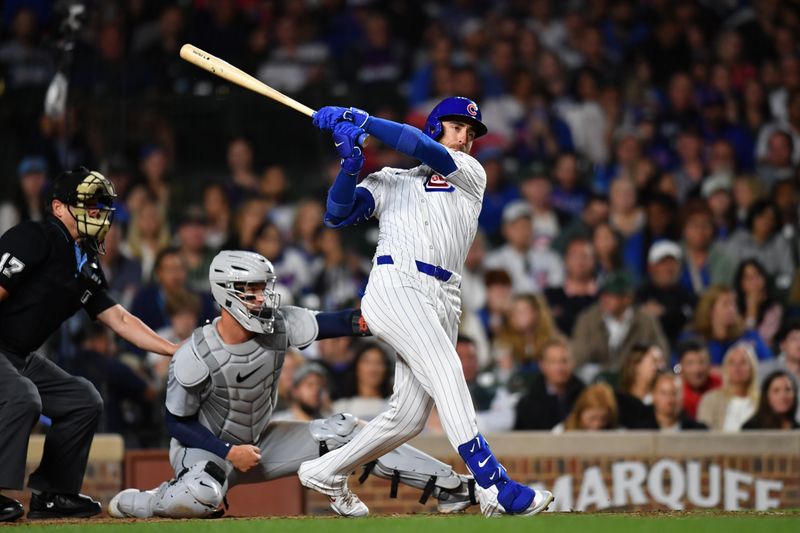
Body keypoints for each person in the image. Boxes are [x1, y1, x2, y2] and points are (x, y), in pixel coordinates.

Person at [298, 98, 553, 517]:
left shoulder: (470, 174)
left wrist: (363, 120)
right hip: (395, 283)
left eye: (470, 133)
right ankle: (495, 484)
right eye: (456, 128)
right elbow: (337, 215)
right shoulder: (390, 179)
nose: (464, 139)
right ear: (436, 126)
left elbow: (420, 147)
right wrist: (349, 165)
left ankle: (326, 470)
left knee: (408, 418)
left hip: (444, 296)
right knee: (447, 368)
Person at [108, 251, 474, 519]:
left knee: (345, 429)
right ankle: (151, 500)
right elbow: (176, 423)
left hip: (260, 439)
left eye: (262, 289)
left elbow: (341, 323)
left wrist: (382, 317)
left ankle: (455, 487)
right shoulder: (195, 353)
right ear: (226, 294)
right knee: (201, 497)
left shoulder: (279, 324)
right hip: (206, 451)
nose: (261, 299)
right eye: (250, 291)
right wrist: (226, 451)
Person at [0, 168, 177, 522]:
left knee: (83, 399)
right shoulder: (34, 237)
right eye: (89, 205)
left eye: (102, 207)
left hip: (17, 355)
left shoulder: (86, 262)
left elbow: (121, 320)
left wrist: (176, 350)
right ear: (58, 207)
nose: (98, 214)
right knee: (22, 396)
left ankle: (54, 494)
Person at [571, 270, 669, 378]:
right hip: (599, 378)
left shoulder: (645, 320)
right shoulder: (588, 319)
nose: (605, 299)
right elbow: (577, 355)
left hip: (633, 377)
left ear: (627, 298)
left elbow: (661, 351)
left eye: (612, 295)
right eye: (604, 294)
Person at [514, 339, 585, 430]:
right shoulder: (527, 405)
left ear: (573, 363)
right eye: (553, 362)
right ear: (542, 365)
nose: (559, 368)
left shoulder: (584, 397)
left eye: (564, 361)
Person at [697, 343, 760, 432]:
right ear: (725, 368)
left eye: (743, 362)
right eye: (732, 363)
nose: (737, 368)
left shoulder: (763, 401)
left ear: (752, 368)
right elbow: (703, 435)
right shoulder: (710, 400)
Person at [331, 342, 393, 421]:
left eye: (379, 362)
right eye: (367, 362)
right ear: (356, 366)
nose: (373, 368)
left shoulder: (394, 406)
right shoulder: (339, 408)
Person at [677, 340, 722, 420]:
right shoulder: (674, 392)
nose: (696, 370)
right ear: (681, 366)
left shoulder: (722, 387)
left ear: (710, 364)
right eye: (690, 363)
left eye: (702, 362)